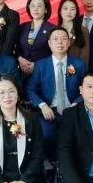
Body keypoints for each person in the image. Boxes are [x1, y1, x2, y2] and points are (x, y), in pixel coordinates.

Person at [27, 27, 85, 155]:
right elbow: (31, 89)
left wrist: (76, 104)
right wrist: (42, 105)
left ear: (68, 43)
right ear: (49, 43)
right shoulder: (41, 65)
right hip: (49, 110)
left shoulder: (79, 64)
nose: (60, 42)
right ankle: (53, 161)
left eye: (64, 39)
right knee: (47, 135)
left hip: (73, 109)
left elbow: (86, 89)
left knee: (78, 137)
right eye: (56, 39)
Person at [17, 0, 55, 79]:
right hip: (21, 74)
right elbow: (15, 48)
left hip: (43, 74)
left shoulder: (52, 29)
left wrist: (37, 65)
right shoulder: (22, 27)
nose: (35, 9)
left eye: (39, 6)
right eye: (32, 6)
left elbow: (56, 54)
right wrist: (19, 59)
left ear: (46, 10)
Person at [57, 0, 89, 65]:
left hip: (76, 69)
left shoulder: (83, 31)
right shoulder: (53, 31)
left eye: (72, 9)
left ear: (76, 12)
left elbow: (84, 59)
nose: (69, 12)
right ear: (60, 11)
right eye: (65, 8)